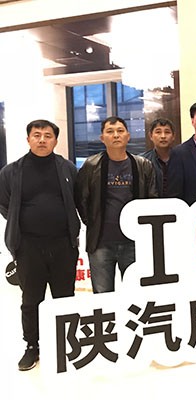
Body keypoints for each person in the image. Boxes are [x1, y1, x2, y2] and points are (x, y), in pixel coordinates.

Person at [0, 119, 80, 371]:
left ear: (56, 140)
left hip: (63, 244)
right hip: (28, 246)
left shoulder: (68, 169)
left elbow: (78, 200)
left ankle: (65, 342)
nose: (42, 140)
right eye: (37, 135)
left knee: (64, 297)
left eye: (48, 135)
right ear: (28, 139)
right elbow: (4, 203)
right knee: (31, 299)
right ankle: (32, 346)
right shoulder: (11, 172)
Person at [76, 116, 157, 293]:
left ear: (128, 136)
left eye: (120, 131)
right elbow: (81, 199)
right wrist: (93, 222)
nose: (115, 135)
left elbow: (152, 200)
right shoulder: (91, 165)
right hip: (101, 242)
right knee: (103, 296)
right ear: (102, 138)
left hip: (133, 242)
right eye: (110, 132)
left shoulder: (143, 165)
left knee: (137, 293)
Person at [140, 118, 176, 197]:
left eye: (167, 132)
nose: (163, 136)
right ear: (151, 136)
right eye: (158, 132)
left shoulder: (181, 158)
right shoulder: (143, 161)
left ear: (173, 136)